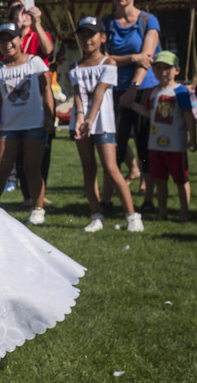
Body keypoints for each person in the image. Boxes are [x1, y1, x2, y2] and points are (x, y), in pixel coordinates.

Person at [0, 0, 55, 206]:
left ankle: (37, 209)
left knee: (32, 167)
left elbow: (46, 90)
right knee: (2, 167)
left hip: (34, 123)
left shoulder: (36, 62)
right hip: (10, 126)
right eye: (2, 40)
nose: (7, 43)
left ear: (20, 39)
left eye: (11, 38)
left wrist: (49, 117)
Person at [69, 16, 141, 233]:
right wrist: (81, 118)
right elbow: (78, 94)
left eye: (91, 35)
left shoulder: (108, 63)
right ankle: (96, 214)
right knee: (88, 169)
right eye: (82, 35)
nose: (87, 39)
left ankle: (132, 215)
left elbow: (99, 92)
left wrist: (91, 119)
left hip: (103, 123)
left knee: (111, 168)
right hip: (82, 123)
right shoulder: (75, 67)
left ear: (102, 37)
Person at [102, 0, 160, 212]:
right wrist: (131, 57)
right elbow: (103, 58)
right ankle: (106, 199)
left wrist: (133, 88)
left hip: (144, 88)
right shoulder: (107, 23)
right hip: (114, 90)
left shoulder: (148, 20)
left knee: (146, 144)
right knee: (114, 145)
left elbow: (146, 59)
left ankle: (148, 199)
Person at [125, 51, 196, 221]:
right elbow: (149, 113)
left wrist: (193, 138)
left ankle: (184, 211)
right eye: (158, 68)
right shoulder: (153, 92)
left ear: (177, 70)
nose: (162, 72)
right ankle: (162, 212)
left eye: (167, 68)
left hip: (176, 146)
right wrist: (132, 105)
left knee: (180, 180)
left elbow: (188, 116)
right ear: (153, 71)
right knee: (159, 180)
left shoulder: (181, 92)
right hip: (155, 146)